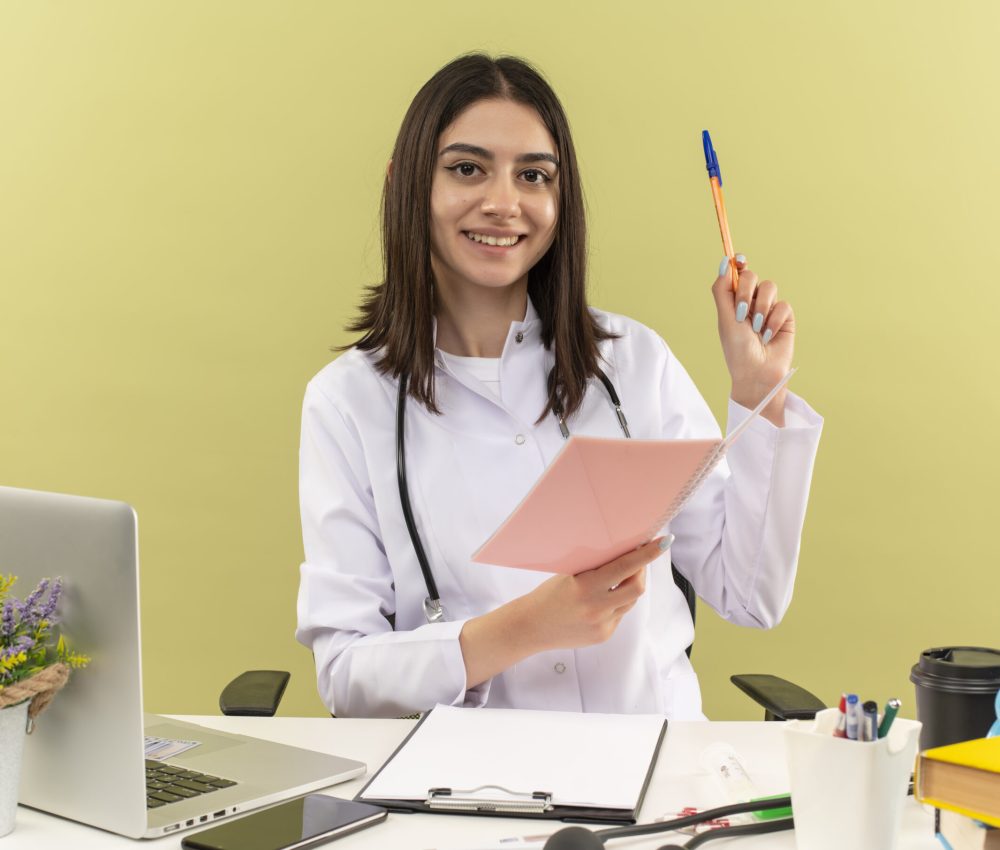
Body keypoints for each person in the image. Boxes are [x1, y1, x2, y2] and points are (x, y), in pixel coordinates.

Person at [295, 53, 823, 719]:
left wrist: (760, 392)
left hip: (654, 778)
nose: (503, 202)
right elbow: (346, 676)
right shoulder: (348, 403)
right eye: (467, 168)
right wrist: (523, 629)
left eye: (534, 176)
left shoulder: (635, 365)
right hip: (469, 788)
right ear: (406, 183)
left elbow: (752, 596)